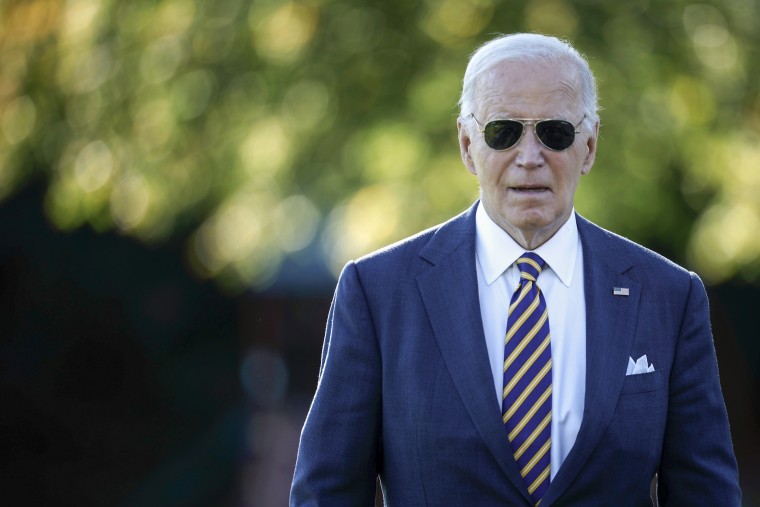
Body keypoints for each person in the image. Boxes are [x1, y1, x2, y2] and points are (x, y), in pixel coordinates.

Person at [290, 33, 741, 506]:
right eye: (503, 132)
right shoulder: (378, 293)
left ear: (588, 147)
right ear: (467, 145)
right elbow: (327, 494)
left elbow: (705, 494)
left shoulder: (667, 295)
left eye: (555, 133)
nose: (530, 157)